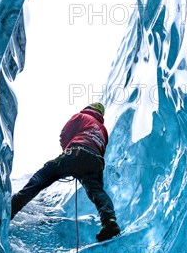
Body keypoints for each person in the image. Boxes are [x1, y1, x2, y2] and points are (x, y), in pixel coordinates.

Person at [10, 102, 121, 242]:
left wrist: (66, 150)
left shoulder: (81, 116)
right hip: (95, 161)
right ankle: (109, 221)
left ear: (89, 108)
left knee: (42, 176)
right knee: (97, 193)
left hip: (75, 152)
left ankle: (13, 207)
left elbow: (65, 134)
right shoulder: (103, 129)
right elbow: (101, 148)